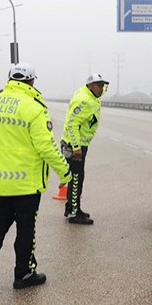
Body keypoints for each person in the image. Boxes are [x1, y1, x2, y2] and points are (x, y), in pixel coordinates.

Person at [0, 63, 72, 293]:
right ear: (32, 81)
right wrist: (65, 172)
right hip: (26, 183)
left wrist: (1, 151)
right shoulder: (33, 108)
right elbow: (46, 147)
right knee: (26, 228)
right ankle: (23, 274)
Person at [60, 73, 109, 225]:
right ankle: (74, 214)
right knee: (76, 178)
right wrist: (76, 147)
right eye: (99, 85)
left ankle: (72, 208)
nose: (102, 89)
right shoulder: (84, 100)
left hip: (80, 144)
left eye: (103, 86)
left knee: (77, 177)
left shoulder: (91, 96)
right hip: (74, 145)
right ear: (90, 86)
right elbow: (72, 123)